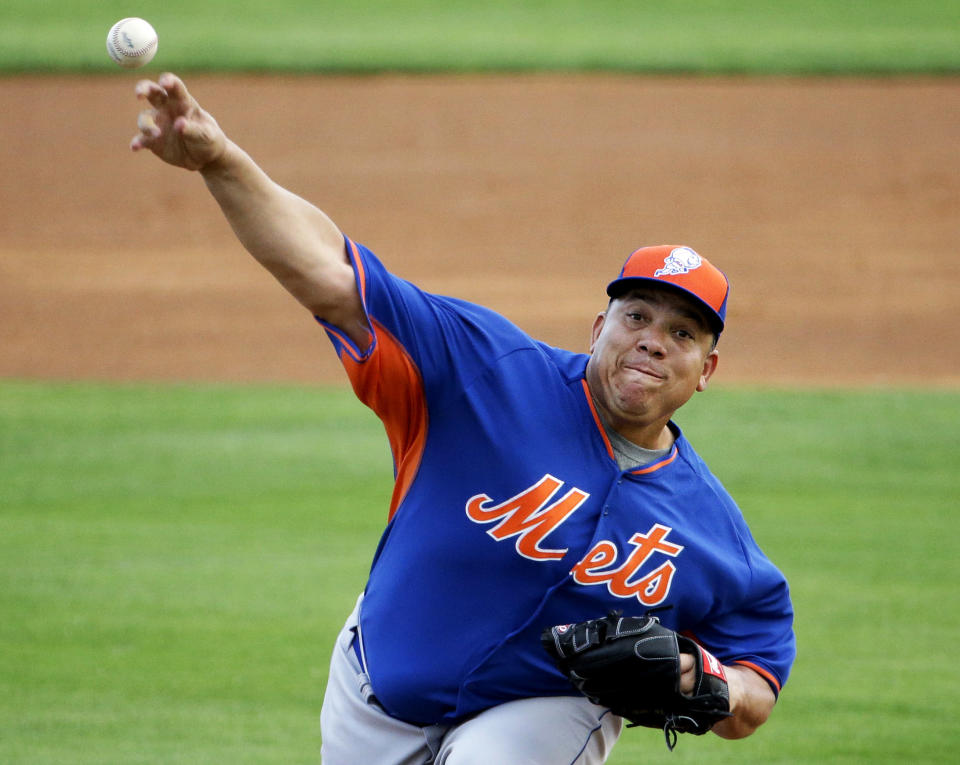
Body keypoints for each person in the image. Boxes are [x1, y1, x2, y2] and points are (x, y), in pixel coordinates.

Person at [129, 73, 795, 764]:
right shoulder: (487, 369)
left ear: (706, 371)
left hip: (538, 714)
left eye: (684, 333)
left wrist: (699, 676)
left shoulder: (709, 528)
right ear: (599, 327)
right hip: (375, 685)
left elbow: (759, 678)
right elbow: (333, 279)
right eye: (637, 317)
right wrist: (220, 161)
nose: (653, 339)